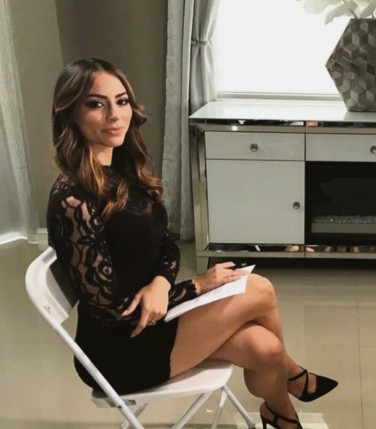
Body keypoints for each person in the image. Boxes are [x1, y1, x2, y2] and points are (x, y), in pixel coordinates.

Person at [46, 58, 337, 429]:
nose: (114, 115)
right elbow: (110, 312)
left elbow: (166, 245)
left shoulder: (121, 170)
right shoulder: (73, 199)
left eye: (121, 101)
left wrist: (161, 283)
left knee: (265, 349)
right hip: (120, 350)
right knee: (259, 289)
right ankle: (293, 378)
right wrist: (196, 286)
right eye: (95, 104)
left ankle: (279, 411)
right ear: (69, 112)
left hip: (158, 317)